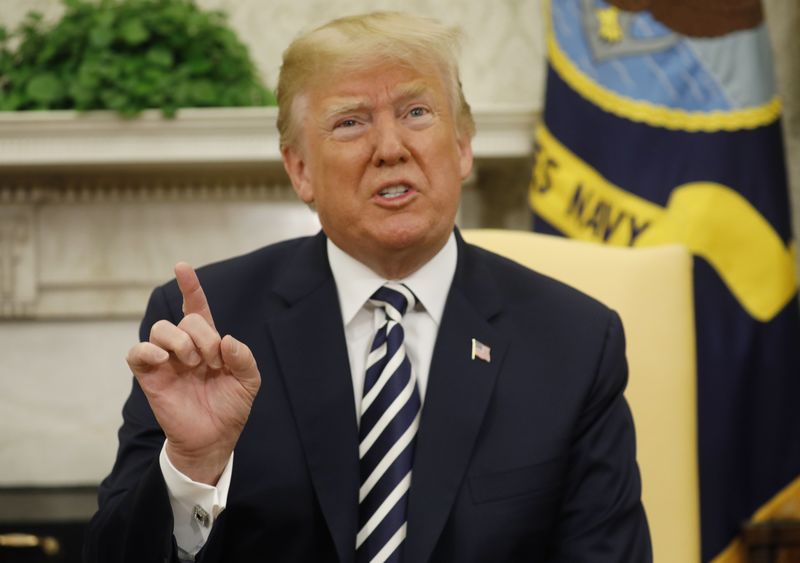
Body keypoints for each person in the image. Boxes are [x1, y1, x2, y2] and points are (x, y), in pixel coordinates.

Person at [84, 11, 651, 563]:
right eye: (351, 121)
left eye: (418, 112)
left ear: (462, 147)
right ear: (300, 169)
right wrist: (193, 466)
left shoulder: (573, 341)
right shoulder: (209, 328)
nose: (390, 148)